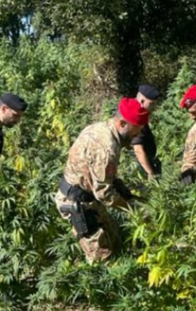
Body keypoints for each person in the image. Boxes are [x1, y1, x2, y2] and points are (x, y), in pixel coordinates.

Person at [55, 98, 149, 263]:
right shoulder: (106, 148)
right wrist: (133, 209)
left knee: (116, 241)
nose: (138, 135)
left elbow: (104, 179)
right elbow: (104, 193)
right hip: (77, 204)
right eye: (136, 130)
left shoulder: (100, 128)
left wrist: (127, 195)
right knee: (103, 258)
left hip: (89, 199)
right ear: (122, 123)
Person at [130, 84, 162, 178]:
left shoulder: (132, 111)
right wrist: (150, 173)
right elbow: (138, 148)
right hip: (141, 166)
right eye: (151, 104)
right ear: (142, 101)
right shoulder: (137, 118)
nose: (154, 107)